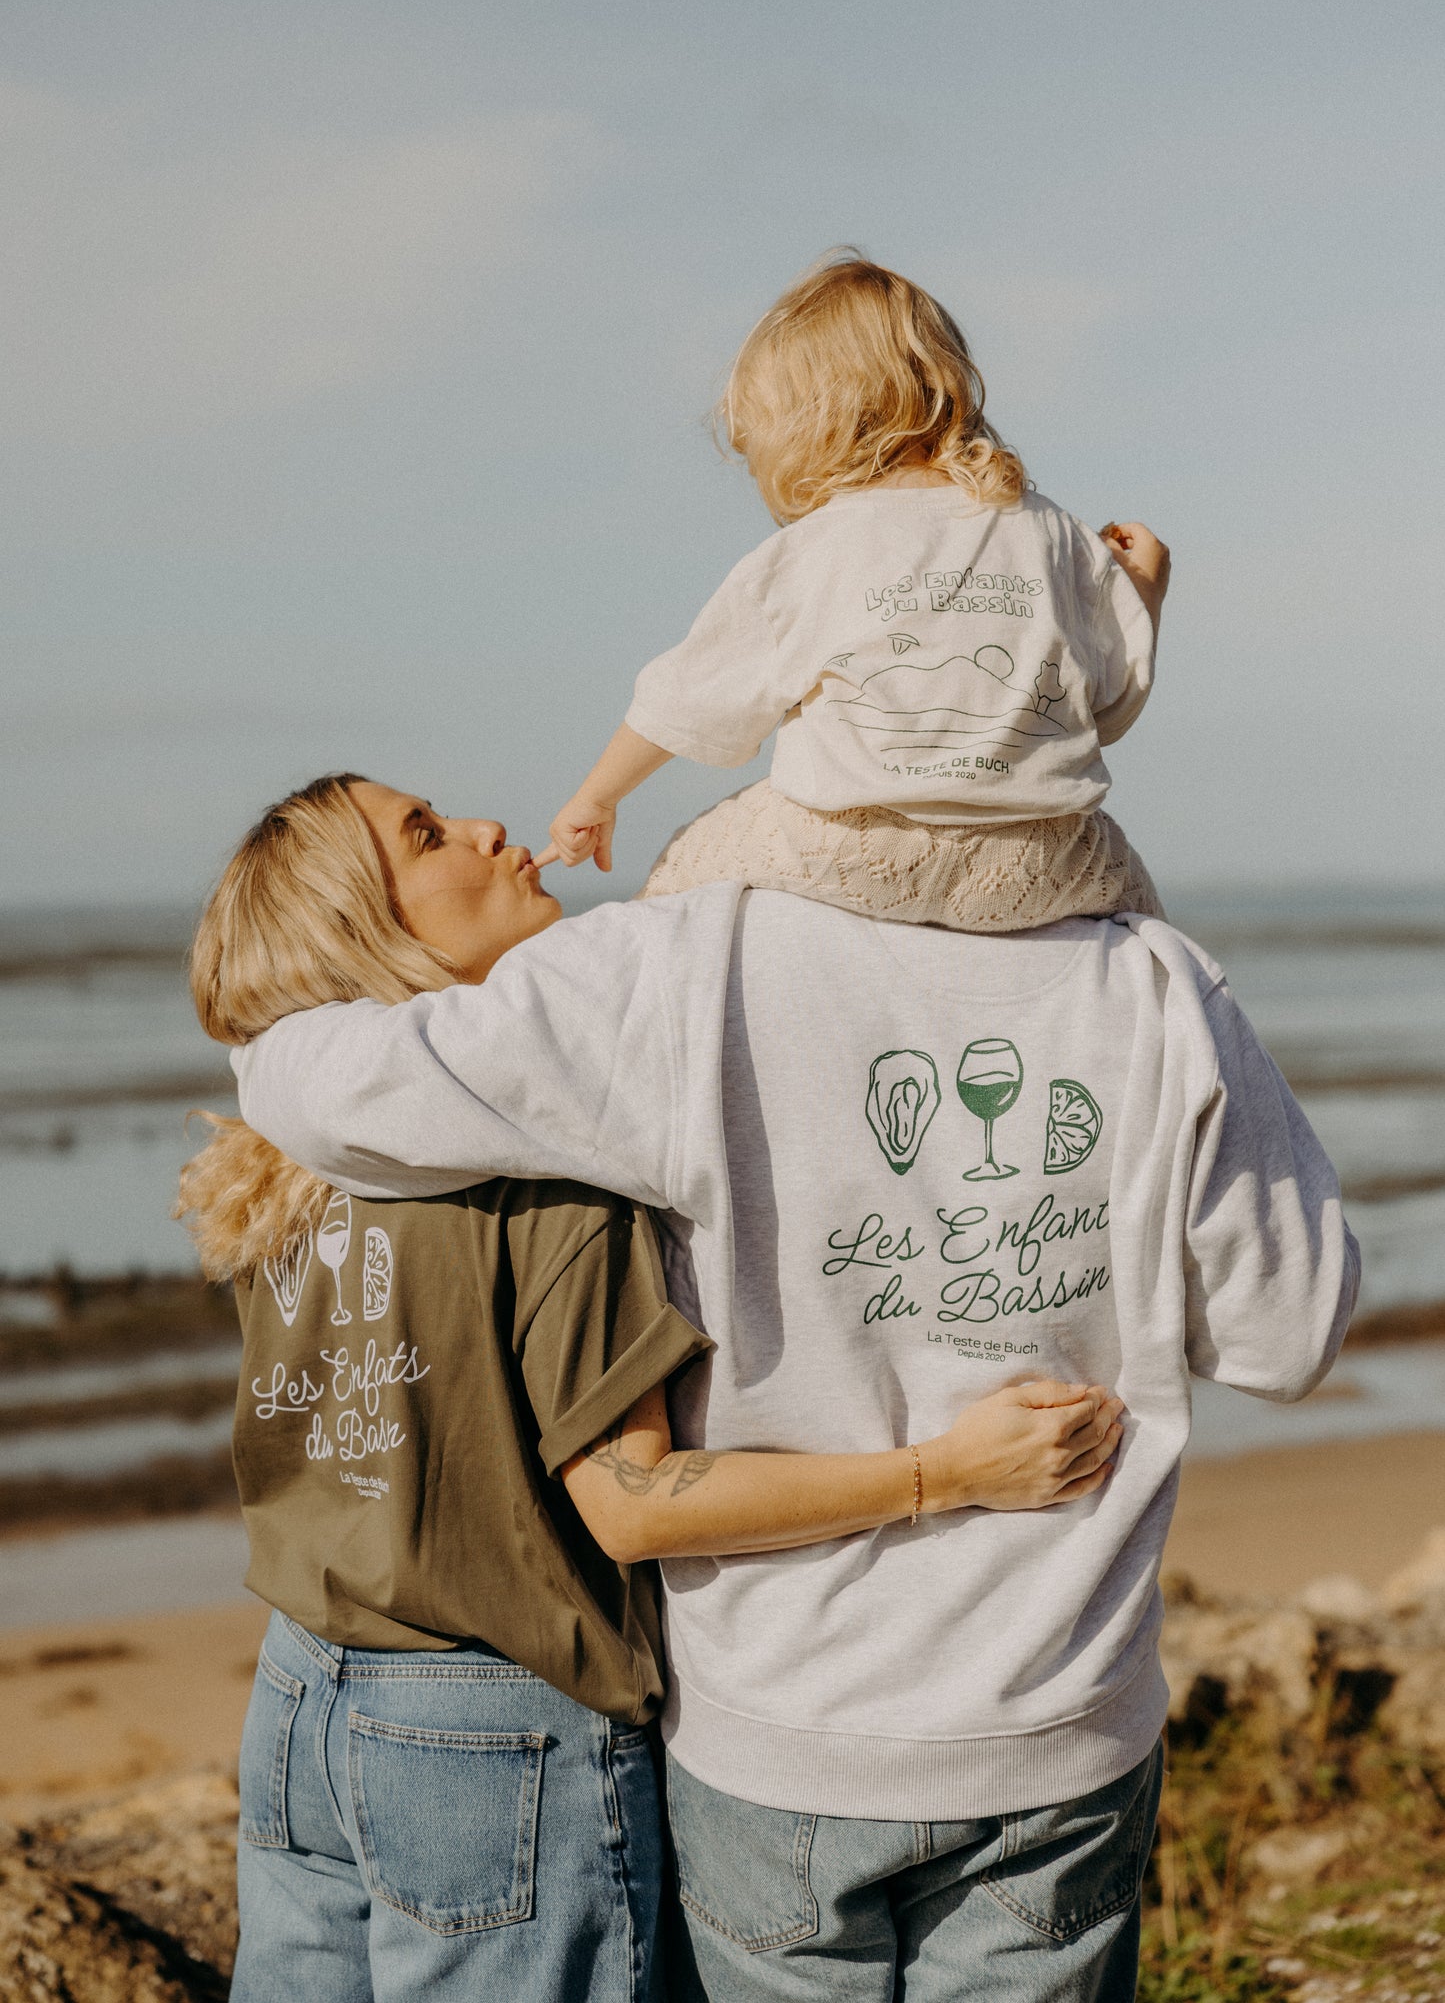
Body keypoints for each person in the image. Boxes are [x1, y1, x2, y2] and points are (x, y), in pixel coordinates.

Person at [234, 780, 1359, 2002]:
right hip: (501, 1704)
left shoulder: (272, 1181)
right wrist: (945, 1469)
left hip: (302, 1686)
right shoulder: (553, 1180)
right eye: (425, 834)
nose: (489, 827)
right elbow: (631, 1500)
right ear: (365, 926)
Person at [542, 251, 1171, 936]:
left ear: (800, 424)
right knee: (1148, 928)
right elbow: (1106, 707)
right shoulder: (1055, 533)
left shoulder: (810, 552)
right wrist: (1141, 592)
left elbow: (688, 699)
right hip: (1041, 858)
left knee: (683, 869)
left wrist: (595, 798)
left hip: (852, 847)